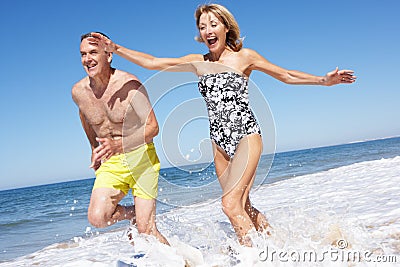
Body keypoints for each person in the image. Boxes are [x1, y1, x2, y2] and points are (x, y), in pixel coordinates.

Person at [90, 3, 356, 246]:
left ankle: (254, 259)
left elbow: (285, 75)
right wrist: (118, 49)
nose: (208, 31)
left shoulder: (245, 57)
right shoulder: (199, 62)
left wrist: (323, 80)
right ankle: (276, 244)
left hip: (246, 135)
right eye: (202, 27)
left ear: (226, 27)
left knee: (229, 205)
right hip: (219, 143)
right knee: (244, 206)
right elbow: (154, 62)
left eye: (213, 24)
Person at [72, 32, 169, 245]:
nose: (87, 59)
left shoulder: (130, 85)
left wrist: (119, 144)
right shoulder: (78, 92)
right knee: (98, 217)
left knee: (146, 230)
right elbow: (85, 116)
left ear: (108, 55)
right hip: (111, 161)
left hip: (142, 157)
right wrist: (92, 147)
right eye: (83, 54)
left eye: (93, 52)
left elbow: (153, 127)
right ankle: (135, 213)